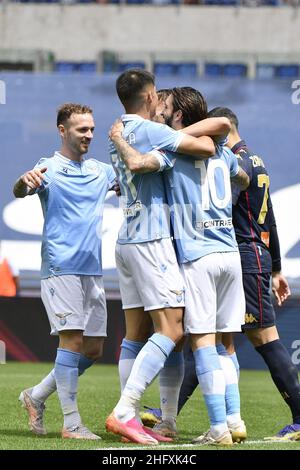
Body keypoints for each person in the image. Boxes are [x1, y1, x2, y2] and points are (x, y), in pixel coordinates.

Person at [143, 107, 298, 442]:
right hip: (252, 256)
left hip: (240, 253)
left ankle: (299, 416)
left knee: (262, 338)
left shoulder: (234, 160)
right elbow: (269, 219)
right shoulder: (256, 160)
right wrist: (277, 268)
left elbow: (225, 203)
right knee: (211, 339)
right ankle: (171, 412)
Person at [108, 86, 249, 446]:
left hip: (196, 255)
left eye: (166, 108)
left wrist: (125, 143)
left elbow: (139, 165)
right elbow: (242, 177)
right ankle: (234, 420)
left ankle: (217, 427)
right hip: (230, 253)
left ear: (178, 116)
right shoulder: (220, 150)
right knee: (224, 346)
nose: (160, 112)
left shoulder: (172, 151)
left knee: (198, 341)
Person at [13, 103, 117, 440]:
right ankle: (72, 423)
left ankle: (36, 395)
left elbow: (131, 181)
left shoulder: (101, 171)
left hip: (92, 271)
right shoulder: (48, 168)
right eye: (81, 129)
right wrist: (22, 181)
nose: (89, 135)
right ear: (62, 130)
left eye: (91, 129)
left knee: (93, 349)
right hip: (61, 268)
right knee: (71, 341)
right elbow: (20, 189)